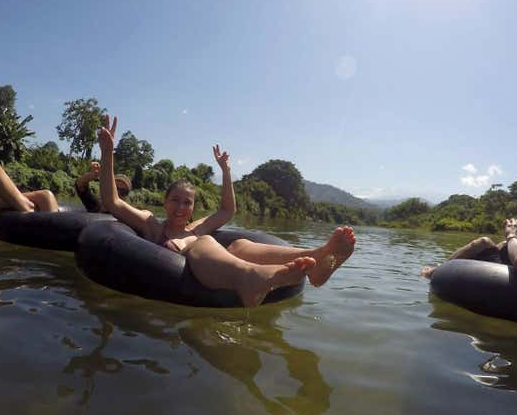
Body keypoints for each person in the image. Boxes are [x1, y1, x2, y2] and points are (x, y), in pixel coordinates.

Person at [97, 115, 356, 307]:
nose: (180, 207)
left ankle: (318, 257)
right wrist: (108, 152)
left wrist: (226, 171)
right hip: (174, 279)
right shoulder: (152, 224)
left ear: (193, 208)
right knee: (205, 241)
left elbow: (227, 210)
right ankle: (248, 278)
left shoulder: (195, 228)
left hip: (216, 264)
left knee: (240, 245)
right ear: (165, 202)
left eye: (187, 202)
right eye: (175, 200)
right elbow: (113, 201)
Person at [0, 116, 130, 215]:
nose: (118, 192)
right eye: (115, 186)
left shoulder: (118, 215)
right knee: (39, 199)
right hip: (56, 225)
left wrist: (107, 152)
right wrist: (93, 176)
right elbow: (80, 185)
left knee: (44, 197)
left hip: (63, 234)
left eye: (122, 191)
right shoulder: (95, 205)